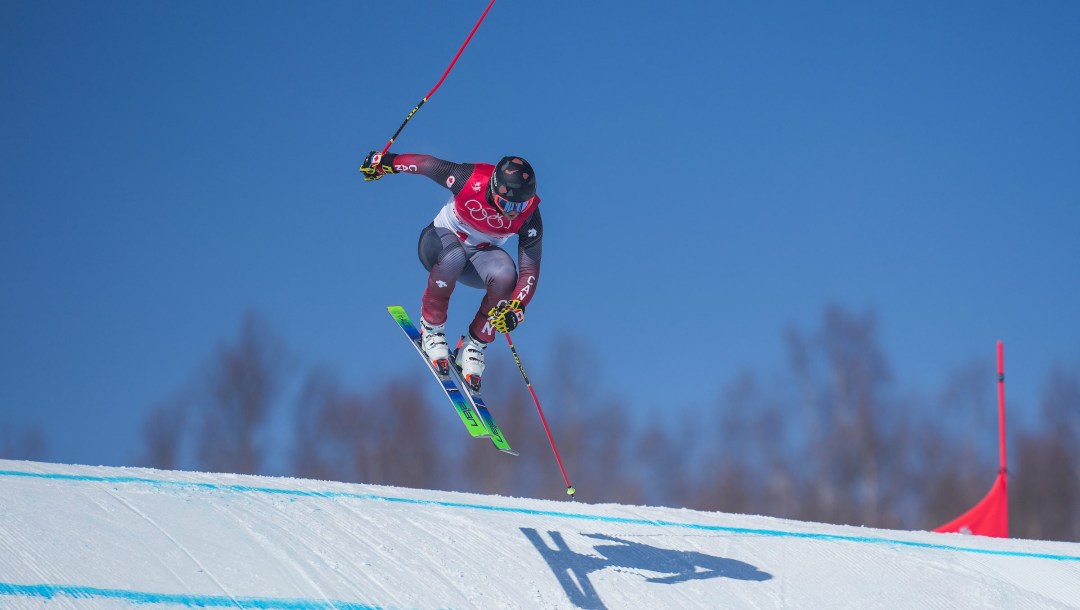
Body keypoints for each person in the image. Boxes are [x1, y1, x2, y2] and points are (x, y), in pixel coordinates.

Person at [360, 151, 542, 392]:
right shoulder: (470, 179)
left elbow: (530, 268)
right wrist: (386, 163)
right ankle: (432, 326)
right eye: (508, 204)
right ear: (495, 189)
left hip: (477, 260)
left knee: (507, 275)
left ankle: (473, 346)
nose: (513, 212)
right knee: (454, 255)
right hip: (438, 244)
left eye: (521, 205)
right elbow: (426, 165)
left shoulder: (528, 217)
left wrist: (516, 307)